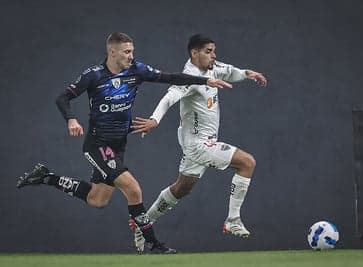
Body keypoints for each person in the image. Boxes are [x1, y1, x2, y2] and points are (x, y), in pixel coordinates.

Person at [16, 32, 231, 254]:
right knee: (133, 189)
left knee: (97, 199)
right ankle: (154, 244)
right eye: (127, 52)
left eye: (132, 51)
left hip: (117, 146)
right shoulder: (94, 75)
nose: (131, 56)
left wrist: (205, 80)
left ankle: (45, 177)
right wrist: (71, 118)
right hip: (98, 144)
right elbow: (62, 97)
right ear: (112, 52)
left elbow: (170, 77)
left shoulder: (136, 70)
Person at [132, 34, 267, 239]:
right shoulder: (189, 77)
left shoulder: (212, 68)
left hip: (196, 143)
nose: (213, 55)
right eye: (208, 51)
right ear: (194, 53)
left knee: (181, 189)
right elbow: (169, 98)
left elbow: (230, 72)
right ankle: (233, 220)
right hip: (199, 145)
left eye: (213, 51)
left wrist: (248, 73)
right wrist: (154, 120)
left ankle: (143, 224)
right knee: (247, 163)